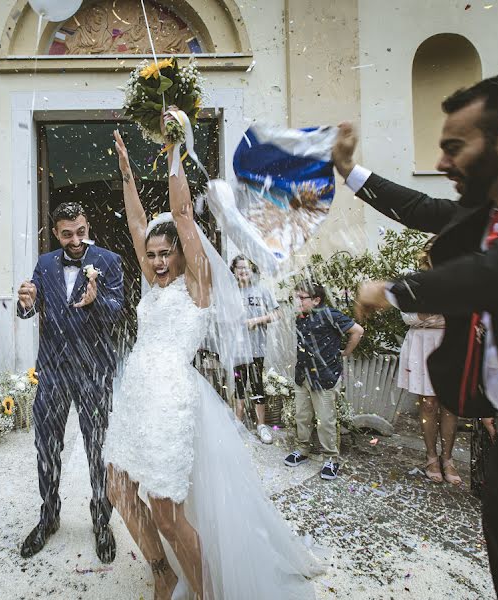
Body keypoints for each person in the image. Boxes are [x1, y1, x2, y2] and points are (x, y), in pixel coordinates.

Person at [345, 70, 498, 599]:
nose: (441, 162)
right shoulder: (492, 211)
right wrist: (348, 171)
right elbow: (421, 208)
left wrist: (392, 290)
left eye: (455, 147)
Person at [105, 124, 321, 599]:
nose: (158, 262)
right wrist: (126, 175)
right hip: (137, 394)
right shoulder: (155, 281)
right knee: (118, 488)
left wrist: (174, 151)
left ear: (184, 253)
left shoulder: (197, 284)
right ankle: (161, 570)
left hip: (170, 401)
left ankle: (200, 592)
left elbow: (181, 212)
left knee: (165, 510)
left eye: (166, 254)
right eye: (153, 256)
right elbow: (137, 223)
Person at [16, 201, 124, 562]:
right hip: (53, 370)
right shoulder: (45, 263)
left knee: (98, 447)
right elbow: (32, 306)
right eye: (67, 234)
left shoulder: (108, 260)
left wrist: (96, 301)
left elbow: (118, 311)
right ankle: (49, 515)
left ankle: (101, 517)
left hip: (94, 369)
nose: (75, 240)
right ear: (56, 232)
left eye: (80, 231)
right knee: (46, 447)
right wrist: (25, 302)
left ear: (87, 224)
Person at [285, 282, 363, 480]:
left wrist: (345, 352)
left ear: (316, 300)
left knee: (326, 421)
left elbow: (358, 331)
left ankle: (331, 459)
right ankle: (302, 450)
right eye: (297, 297)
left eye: (302, 298)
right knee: (302, 416)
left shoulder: (331, 315)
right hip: (303, 375)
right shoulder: (300, 318)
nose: (298, 301)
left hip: (324, 377)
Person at [397, 239, 459, 484]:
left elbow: (462, 315)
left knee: (450, 404)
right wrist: (431, 312)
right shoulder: (415, 283)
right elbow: (408, 317)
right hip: (422, 346)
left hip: (450, 343)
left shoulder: (458, 280)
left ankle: (448, 458)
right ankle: (431, 456)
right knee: (429, 404)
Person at [230, 255, 278, 443]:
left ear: (253, 271)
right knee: (239, 386)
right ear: (234, 271)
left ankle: (261, 425)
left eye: (247, 268)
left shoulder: (262, 290)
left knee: (257, 386)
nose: (243, 271)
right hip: (237, 350)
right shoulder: (230, 292)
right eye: (239, 267)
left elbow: (277, 313)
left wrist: (257, 321)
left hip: (257, 349)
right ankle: (238, 423)